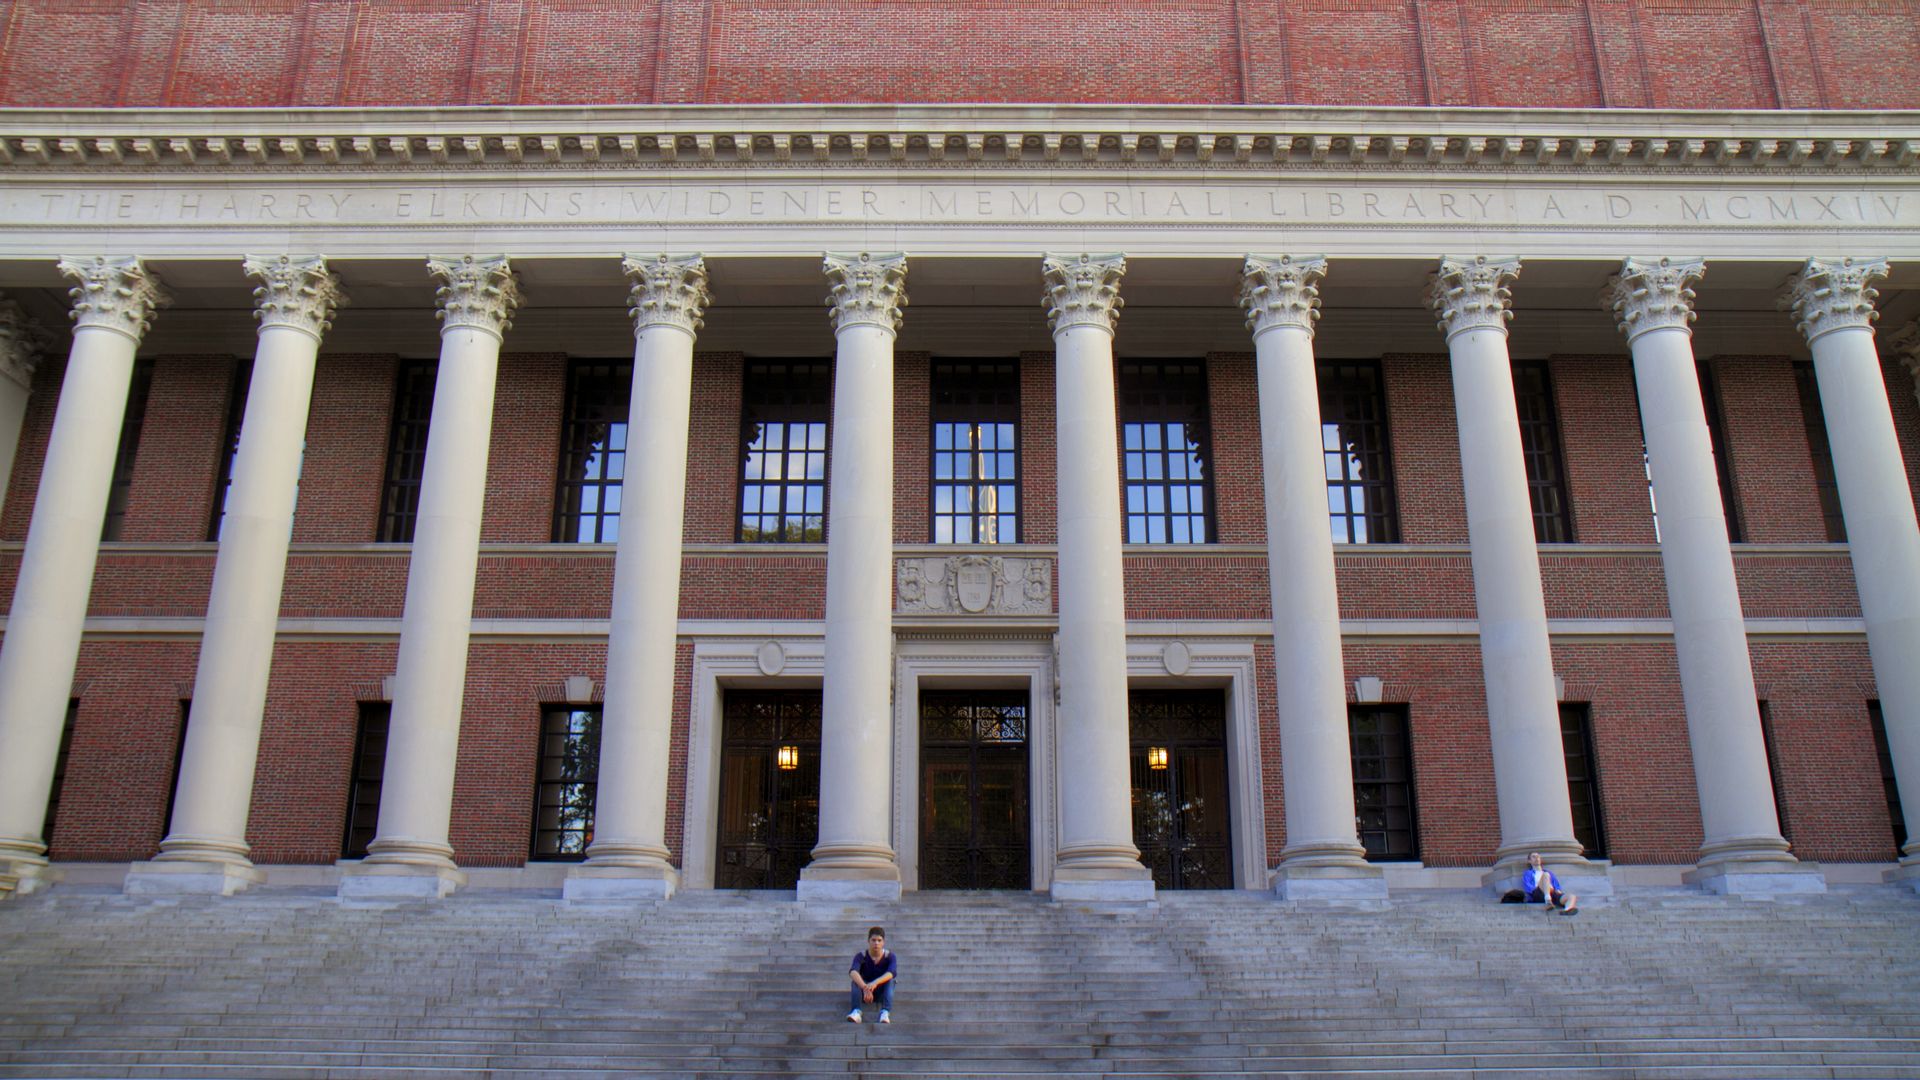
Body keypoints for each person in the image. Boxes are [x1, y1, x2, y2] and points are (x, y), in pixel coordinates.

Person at [847, 926, 897, 1023]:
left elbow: (891, 973)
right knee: (855, 981)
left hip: (882, 991)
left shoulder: (890, 956)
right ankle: (856, 1011)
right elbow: (853, 972)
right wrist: (865, 987)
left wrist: (875, 983)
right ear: (868, 941)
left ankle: (885, 1012)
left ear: (883, 942)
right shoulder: (861, 956)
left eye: (879, 940)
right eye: (873, 940)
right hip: (864, 992)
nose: (876, 943)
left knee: (890, 980)